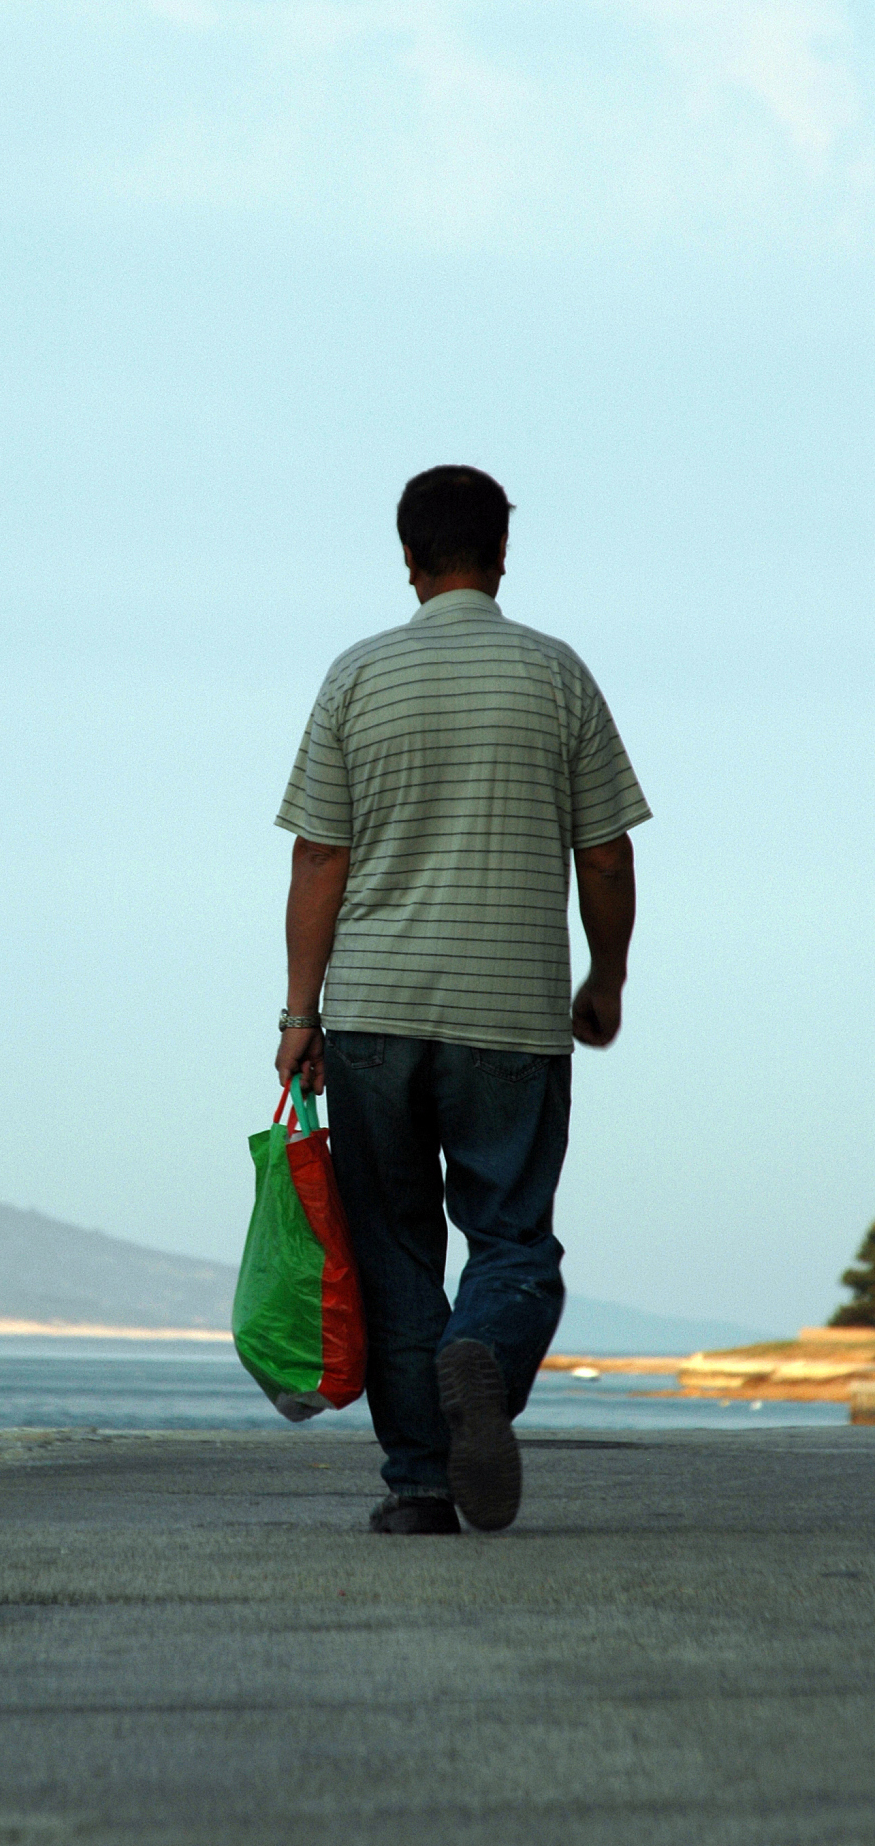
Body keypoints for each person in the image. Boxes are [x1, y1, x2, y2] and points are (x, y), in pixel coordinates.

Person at [274, 466, 650, 1535]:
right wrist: (606, 975)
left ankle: (421, 1486)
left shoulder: (359, 676)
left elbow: (317, 858)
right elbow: (608, 854)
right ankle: (478, 1352)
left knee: (392, 1250)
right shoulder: (556, 674)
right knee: (513, 1238)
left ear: (408, 557)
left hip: (376, 1019)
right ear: (501, 553)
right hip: (511, 1014)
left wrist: (300, 1015)